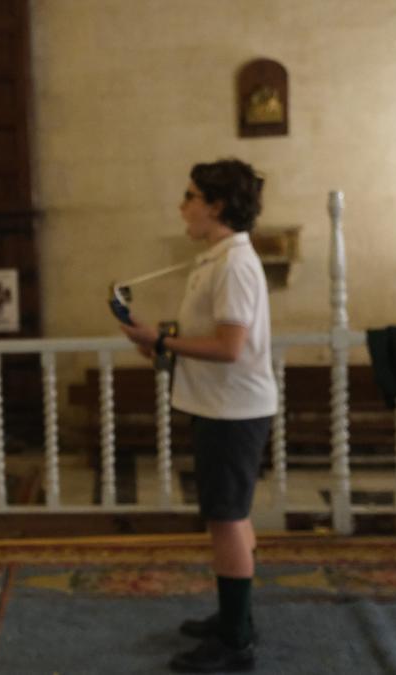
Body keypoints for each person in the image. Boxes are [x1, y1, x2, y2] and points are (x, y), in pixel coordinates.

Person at [120, 158, 274, 673]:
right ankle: (236, 619)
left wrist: (161, 340)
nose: (182, 206)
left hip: (232, 411)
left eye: (190, 196)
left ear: (217, 205)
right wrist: (157, 344)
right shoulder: (216, 258)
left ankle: (235, 641)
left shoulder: (232, 264)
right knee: (232, 515)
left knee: (226, 520)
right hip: (220, 407)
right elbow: (207, 340)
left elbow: (231, 348)